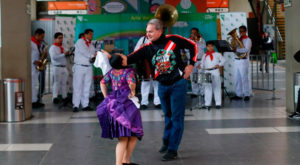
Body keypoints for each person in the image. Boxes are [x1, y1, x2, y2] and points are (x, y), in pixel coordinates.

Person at [113, 18, 198, 161]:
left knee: (177, 118)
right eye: (147, 32)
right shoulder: (148, 47)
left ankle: (172, 149)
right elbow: (130, 58)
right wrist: (117, 59)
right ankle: (167, 140)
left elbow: (193, 46)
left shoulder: (174, 40)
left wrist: (191, 65)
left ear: (159, 30)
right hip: (162, 86)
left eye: (150, 31)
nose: (148, 34)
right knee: (168, 116)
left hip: (178, 84)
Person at [96, 54, 143, 165]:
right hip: (127, 104)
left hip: (114, 105)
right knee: (131, 135)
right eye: (123, 56)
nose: (125, 56)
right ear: (122, 62)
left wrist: (106, 96)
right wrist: (133, 91)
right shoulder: (128, 72)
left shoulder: (111, 72)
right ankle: (121, 162)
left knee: (126, 136)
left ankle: (124, 161)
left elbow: (102, 82)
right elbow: (131, 83)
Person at [72, 29, 96, 112]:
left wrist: (96, 56)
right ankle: (76, 105)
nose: (92, 36)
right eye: (90, 34)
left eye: (92, 34)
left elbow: (93, 55)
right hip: (79, 67)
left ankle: (85, 104)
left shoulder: (91, 45)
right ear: (86, 35)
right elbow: (84, 52)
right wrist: (93, 55)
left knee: (87, 86)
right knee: (78, 86)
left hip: (89, 67)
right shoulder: (80, 42)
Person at [134, 35, 161, 110]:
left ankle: (158, 102)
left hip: (157, 62)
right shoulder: (143, 39)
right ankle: (144, 102)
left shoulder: (159, 38)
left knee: (157, 82)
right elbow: (135, 50)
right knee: (145, 82)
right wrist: (141, 47)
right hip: (146, 63)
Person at [200, 41, 225, 110]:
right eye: (208, 46)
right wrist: (200, 66)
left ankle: (218, 103)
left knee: (217, 87)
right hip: (207, 72)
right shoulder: (204, 55)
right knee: (207, 88)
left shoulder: (217, 54)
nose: (210, 47)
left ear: (213, 46)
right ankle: (207, 104)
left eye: (211, 46)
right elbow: (202, 63)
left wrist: (219, 65)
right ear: (206, 47)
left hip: (215, 71)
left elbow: (223, 60)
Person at [232, 26, 252, 101]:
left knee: (244, 78)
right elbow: (233, 48)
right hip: (236, 60)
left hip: (243, 60)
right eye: (240, 31)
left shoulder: (248, 40)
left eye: (242, 31)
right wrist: (233, 45)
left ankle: (247, 94)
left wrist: (236, 49)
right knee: (237, 78)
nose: (241, 33)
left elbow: (246, 49)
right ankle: (238, 94)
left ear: (246, 31)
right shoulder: (237, 40)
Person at [49, 32, 70, 105]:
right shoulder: (53, 48)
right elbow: (54, 57)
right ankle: (55, 97)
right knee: (57, 83)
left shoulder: (63, 46)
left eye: (62, 38)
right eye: (59, 38)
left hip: (64, 67)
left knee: (64, 83)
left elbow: (67, 53)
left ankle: (65, 96)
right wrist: (64, 54)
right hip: (57, 67)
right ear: (55, 39)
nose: (61, 39)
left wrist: (69, 53)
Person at [31, 28, 46, 108]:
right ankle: (33, 101)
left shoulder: (38, 44)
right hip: (32, 67)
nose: (43, 38)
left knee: (35, 84)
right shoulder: (31, 43)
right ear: (37, 35)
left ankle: (35, 100)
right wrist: (34, 61)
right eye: (42, 36)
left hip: (36, 67)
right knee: (33, 85)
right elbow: (27, 54)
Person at [189, 28, 206, 97]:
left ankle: (202, 92)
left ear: (198, 33)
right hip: (192, 61)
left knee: (201, 77)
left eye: (195, 33)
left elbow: (204, 46)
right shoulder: (188, 40)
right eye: (192, 33)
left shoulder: (201, 39)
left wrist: (199, 40)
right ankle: (195, 92)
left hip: (200, 61)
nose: (194, 34)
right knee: (193, 77)